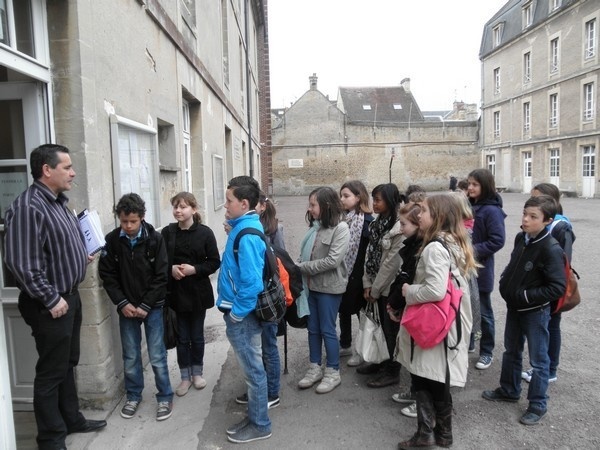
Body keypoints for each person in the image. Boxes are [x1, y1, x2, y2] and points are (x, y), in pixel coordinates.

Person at [4, 144, 107, 449]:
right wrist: (50, 298)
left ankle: (71, 418)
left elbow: (56, 247)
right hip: (50, 304)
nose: (73, 172)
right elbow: (21, 263)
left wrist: (81, 254)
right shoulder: (29, 207)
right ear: (47, 170)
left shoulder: (58, 202)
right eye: (67, 167)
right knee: (51, 372)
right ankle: (50, 438)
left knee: (68, 362)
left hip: (69, 298)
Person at [396, 194, 476, 449]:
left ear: (438, 217)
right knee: (439, 378)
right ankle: (443, 434)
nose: (419, 215)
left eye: (426, 211)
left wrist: (409, 291)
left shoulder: (434, 248)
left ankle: (425, 435)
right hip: (451, 320)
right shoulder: (455, 242)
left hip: (434, 322)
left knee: (423, 376)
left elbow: (435, 290)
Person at [482, 195, 566, 426]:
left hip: (535, 312)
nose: (526, 220)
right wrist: (505, 280)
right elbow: (513, 264)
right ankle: (509, 389)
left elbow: (557, 287)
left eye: (533, 217)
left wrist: (527, 296)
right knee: (511, 350)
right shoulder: (522, 237)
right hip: (515, 307)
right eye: (524, 214)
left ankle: (538, 404)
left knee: (539, 360)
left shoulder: (550, 248)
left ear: (547, 220)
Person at [98, 193, 174, 421]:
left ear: (142, 217)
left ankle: (165, 396)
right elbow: (107, 274)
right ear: (119, 219)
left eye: (133, 221)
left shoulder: (154, 239)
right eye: (124, 221)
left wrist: (146, 305)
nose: (129, 226)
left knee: (157, 354)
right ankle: (133, 395)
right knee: (130, 355)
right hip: (127, 308)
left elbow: (161, 276)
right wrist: (122, 303)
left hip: (152, 307)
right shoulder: (112, 241)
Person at [216, 177, 272, 443]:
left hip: (243, 316)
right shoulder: (242, 227)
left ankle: (261, 424)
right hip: (240, 314)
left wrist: (236, 315)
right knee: (252, 372)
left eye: (229, 201)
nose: (225, 205)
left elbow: (251, 284)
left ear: (244, 203)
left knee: (253, 373)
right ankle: (254, 417)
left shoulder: (246, 234)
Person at [161, 192, 220, 397]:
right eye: (175, 206)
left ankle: (197, 373)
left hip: (197, 293)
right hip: (176, 293)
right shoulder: (168, 233)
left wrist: (194, 269)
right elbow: (160, 261)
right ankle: (185, 377)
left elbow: (214, 261)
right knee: (182, 337)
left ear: (193, 210)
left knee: (196, 335)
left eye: (183, 207)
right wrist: (171, 269)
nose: (178, 210)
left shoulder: (205, 233)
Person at [297, 187, 350, 394]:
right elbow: (307, 253)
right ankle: (314, 368)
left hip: (330, 288)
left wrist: (301, 267)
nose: (310, 209)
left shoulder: (341, 228)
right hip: (311, 287)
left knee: (327, 329)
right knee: (313, 329)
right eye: (309, 205)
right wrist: (301, 263)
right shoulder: (315, 227)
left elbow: (332, 261)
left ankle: (333, 371)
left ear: (326, 206)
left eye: (313, 205)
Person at [521, 183, 575, 384]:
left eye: (537, 198)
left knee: (552, 326)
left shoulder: (561, 227)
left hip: (550, 286)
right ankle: (543, 365)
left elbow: (563, 260)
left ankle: (550, 368)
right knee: (544, 327)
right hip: (539, 285)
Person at [235, 193, 283, 410]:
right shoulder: (245, 229)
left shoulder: (264, 231)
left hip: (266, 298)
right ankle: (259, 389)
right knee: (258, 349)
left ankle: (271, 392)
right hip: (258, 299)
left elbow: (278, 262)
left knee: (268, 347)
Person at [358, 183, 403, 388]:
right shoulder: (376, 224)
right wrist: (367, 283)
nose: (374, 204)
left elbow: (391, 264)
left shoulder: (398, 228)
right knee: (376, 325)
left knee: (389, 330)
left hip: (388, 288)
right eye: (373, 199)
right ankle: (378, 360)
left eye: (378, 200)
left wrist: (375, 290)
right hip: (374, 284)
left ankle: (392, 370)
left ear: (390, 201)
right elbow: (370, 255)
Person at [467, 168, 506, 370]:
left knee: (483, 312)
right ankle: (471, 342)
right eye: (469, 183)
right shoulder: (470, 205)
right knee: (467, 309)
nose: (470, 187)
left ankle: (487, 351)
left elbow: (497, 241)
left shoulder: (492, 210)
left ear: (485, 186)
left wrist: (470, 250)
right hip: (465, 268)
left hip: (480, 269)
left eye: (475, 184)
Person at [387, 202, 423, 418]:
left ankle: (423, 401)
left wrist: (397, 301)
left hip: (419, 307)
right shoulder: (411, 244)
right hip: (407, 302)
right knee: (412, 354)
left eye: (404, 224)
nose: (400, 228)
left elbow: (408, 278)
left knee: (422, 359)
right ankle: (416, 391)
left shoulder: (424, 248)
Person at [338, 180, 373, 367]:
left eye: (346, 196)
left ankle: (362, 349)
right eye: (341, 195)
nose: (342, 199)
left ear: (358, 197)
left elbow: (369, 253)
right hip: (343, 272)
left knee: (362, 314)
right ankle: (345, 344)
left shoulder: (367, 222)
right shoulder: (342, 219)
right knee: (343, 310)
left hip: (360, 274)